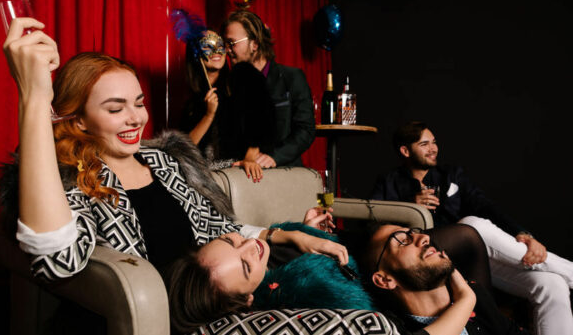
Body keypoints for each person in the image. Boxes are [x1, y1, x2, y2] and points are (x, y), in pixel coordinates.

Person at [0, 18, 318, 281]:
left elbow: (216, 226)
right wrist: (34, 96)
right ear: (80, 121)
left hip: (226, 299)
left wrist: (281, 235)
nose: (136, 118)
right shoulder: (73, 176)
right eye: (115, 108)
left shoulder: (162, 161)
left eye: (139, 103)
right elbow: (57, 260)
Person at [370, 121, 573, 335]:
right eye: (424, 144)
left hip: (473, 256)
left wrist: (523, 234)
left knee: (552, 284)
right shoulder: (389, 182)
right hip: (433, 260)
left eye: (434, 142)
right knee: (471, 224)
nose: (433, 148)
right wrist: (409, 206)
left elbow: (485, 206)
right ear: (405, 150)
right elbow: (375, 227)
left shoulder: (450, 174)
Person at [166, 214, 498, 335]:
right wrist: (464, 297)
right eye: (244, 265)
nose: (249, 246)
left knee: (472, 230)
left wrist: (296, 234)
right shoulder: (281, 305)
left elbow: (249, 232)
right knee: (470, 232)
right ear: (248, 299)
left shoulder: (266, 247)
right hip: (374, 273)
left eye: (232, 241)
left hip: (350, 245)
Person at [362, 223, 531, 335]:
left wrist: (469, 297)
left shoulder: (475, 294)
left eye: (414, 233)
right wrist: (466, 300)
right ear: (385, 280)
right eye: (403, 241)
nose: (424, 238)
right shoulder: (393, 328)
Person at [222, 10, 315, 168]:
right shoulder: (231, 85)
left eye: (232, 43)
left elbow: (306, 130)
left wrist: (274, 157)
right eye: (225, 44)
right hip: (243, 177)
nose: (227, 50)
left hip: (285, 175)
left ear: (255, 44)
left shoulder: (291, 77)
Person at [180, 30, 274, 181]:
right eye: (208, 46)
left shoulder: (240, 81)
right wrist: (208, 115)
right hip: (203, 178)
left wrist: (249, 159)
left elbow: (260, 123)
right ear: (195, 54)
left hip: (238, 174)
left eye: (219, 45)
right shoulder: (194, 99)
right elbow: (185, 148)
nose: (216, 51)